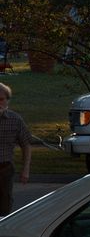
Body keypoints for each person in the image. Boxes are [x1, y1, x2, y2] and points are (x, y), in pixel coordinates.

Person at [0, 82, 31, 216]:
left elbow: (26, 145)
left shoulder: (15, 120)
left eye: (1, 99)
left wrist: (25, 170)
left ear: (7, 101)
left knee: (4, 204)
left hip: (5, 167)